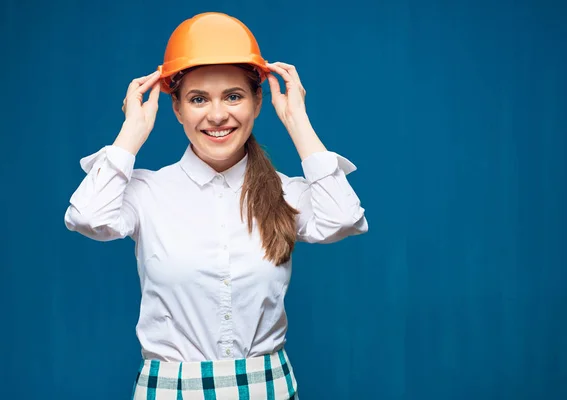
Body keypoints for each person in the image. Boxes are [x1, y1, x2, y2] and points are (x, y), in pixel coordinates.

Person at [64, 11, 367, 400]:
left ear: (258, 102)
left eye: (234, 96)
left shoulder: (285, 193)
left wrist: (297, 120)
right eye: (198, 99)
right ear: (176, 108)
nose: (218, 114)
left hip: (268, 390)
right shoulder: (147, 192)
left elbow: (343, 218)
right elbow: (86, 217)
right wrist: (131, 132)